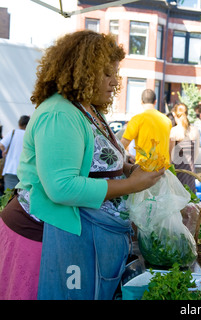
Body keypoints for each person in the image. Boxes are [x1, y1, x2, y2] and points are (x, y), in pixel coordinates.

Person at [0, 30, 165, 300]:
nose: (115, 82)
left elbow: (100, 160)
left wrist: (128, 168)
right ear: (83, 71)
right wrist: (130, 184)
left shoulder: (88, 109)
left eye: (115, 74)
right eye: (107, 74)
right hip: (41, 239)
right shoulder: (59, 113)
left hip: (69, 237)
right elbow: (61, 187)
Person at [120, 89, 172, 166]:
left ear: (141, 102)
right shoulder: (167, 120)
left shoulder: (136, 119)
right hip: (164, 169)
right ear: (155, 102)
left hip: (144, 169)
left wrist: (129, 156)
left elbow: (122, 146)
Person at [169, 103, 200, 192]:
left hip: (177, 172)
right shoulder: (195, 130)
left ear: (174, 114)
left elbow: (170, 157)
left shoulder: (174, 131)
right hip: (190, 172)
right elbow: (196, 154)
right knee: (190, 199)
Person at [0, 115, 30, 192]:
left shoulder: (13, 132)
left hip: (10, 169)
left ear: (19, 123)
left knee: (9, 196)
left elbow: (2, 145)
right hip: (25, 172)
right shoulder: (29, 135)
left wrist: (4, 151)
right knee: (21, 199)